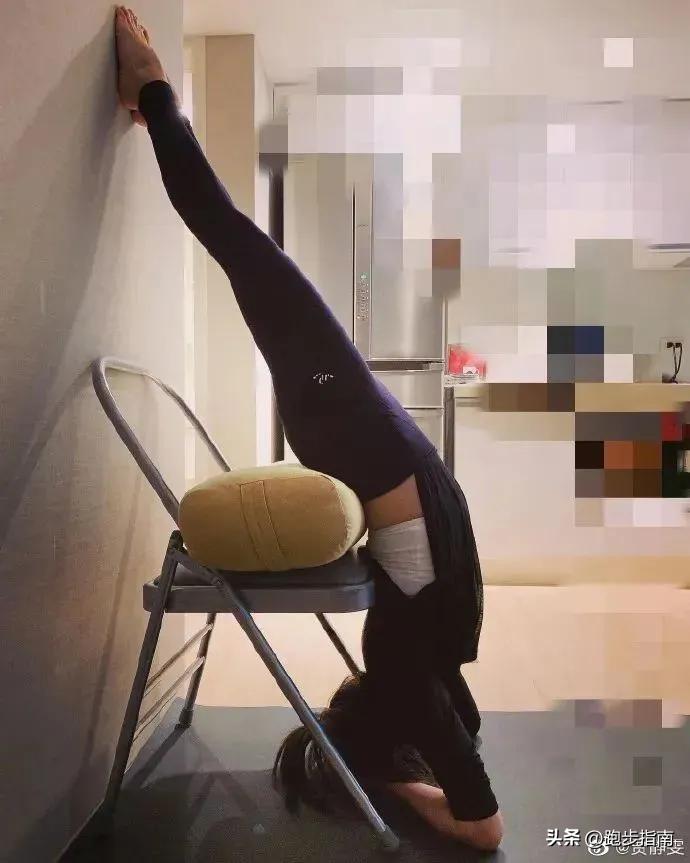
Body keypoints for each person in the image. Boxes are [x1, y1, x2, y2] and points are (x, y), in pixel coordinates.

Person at [114, 7, 503, 851]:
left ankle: (158, 101)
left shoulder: (407, 660)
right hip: (420, 507)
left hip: (428, 516)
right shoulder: (406, 663)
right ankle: (155, 95)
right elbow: (482, 826)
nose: (353, 687)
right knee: (243, 250)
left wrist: (397, 774)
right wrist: (401, 784)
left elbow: (467, 780)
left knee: (244, 252)